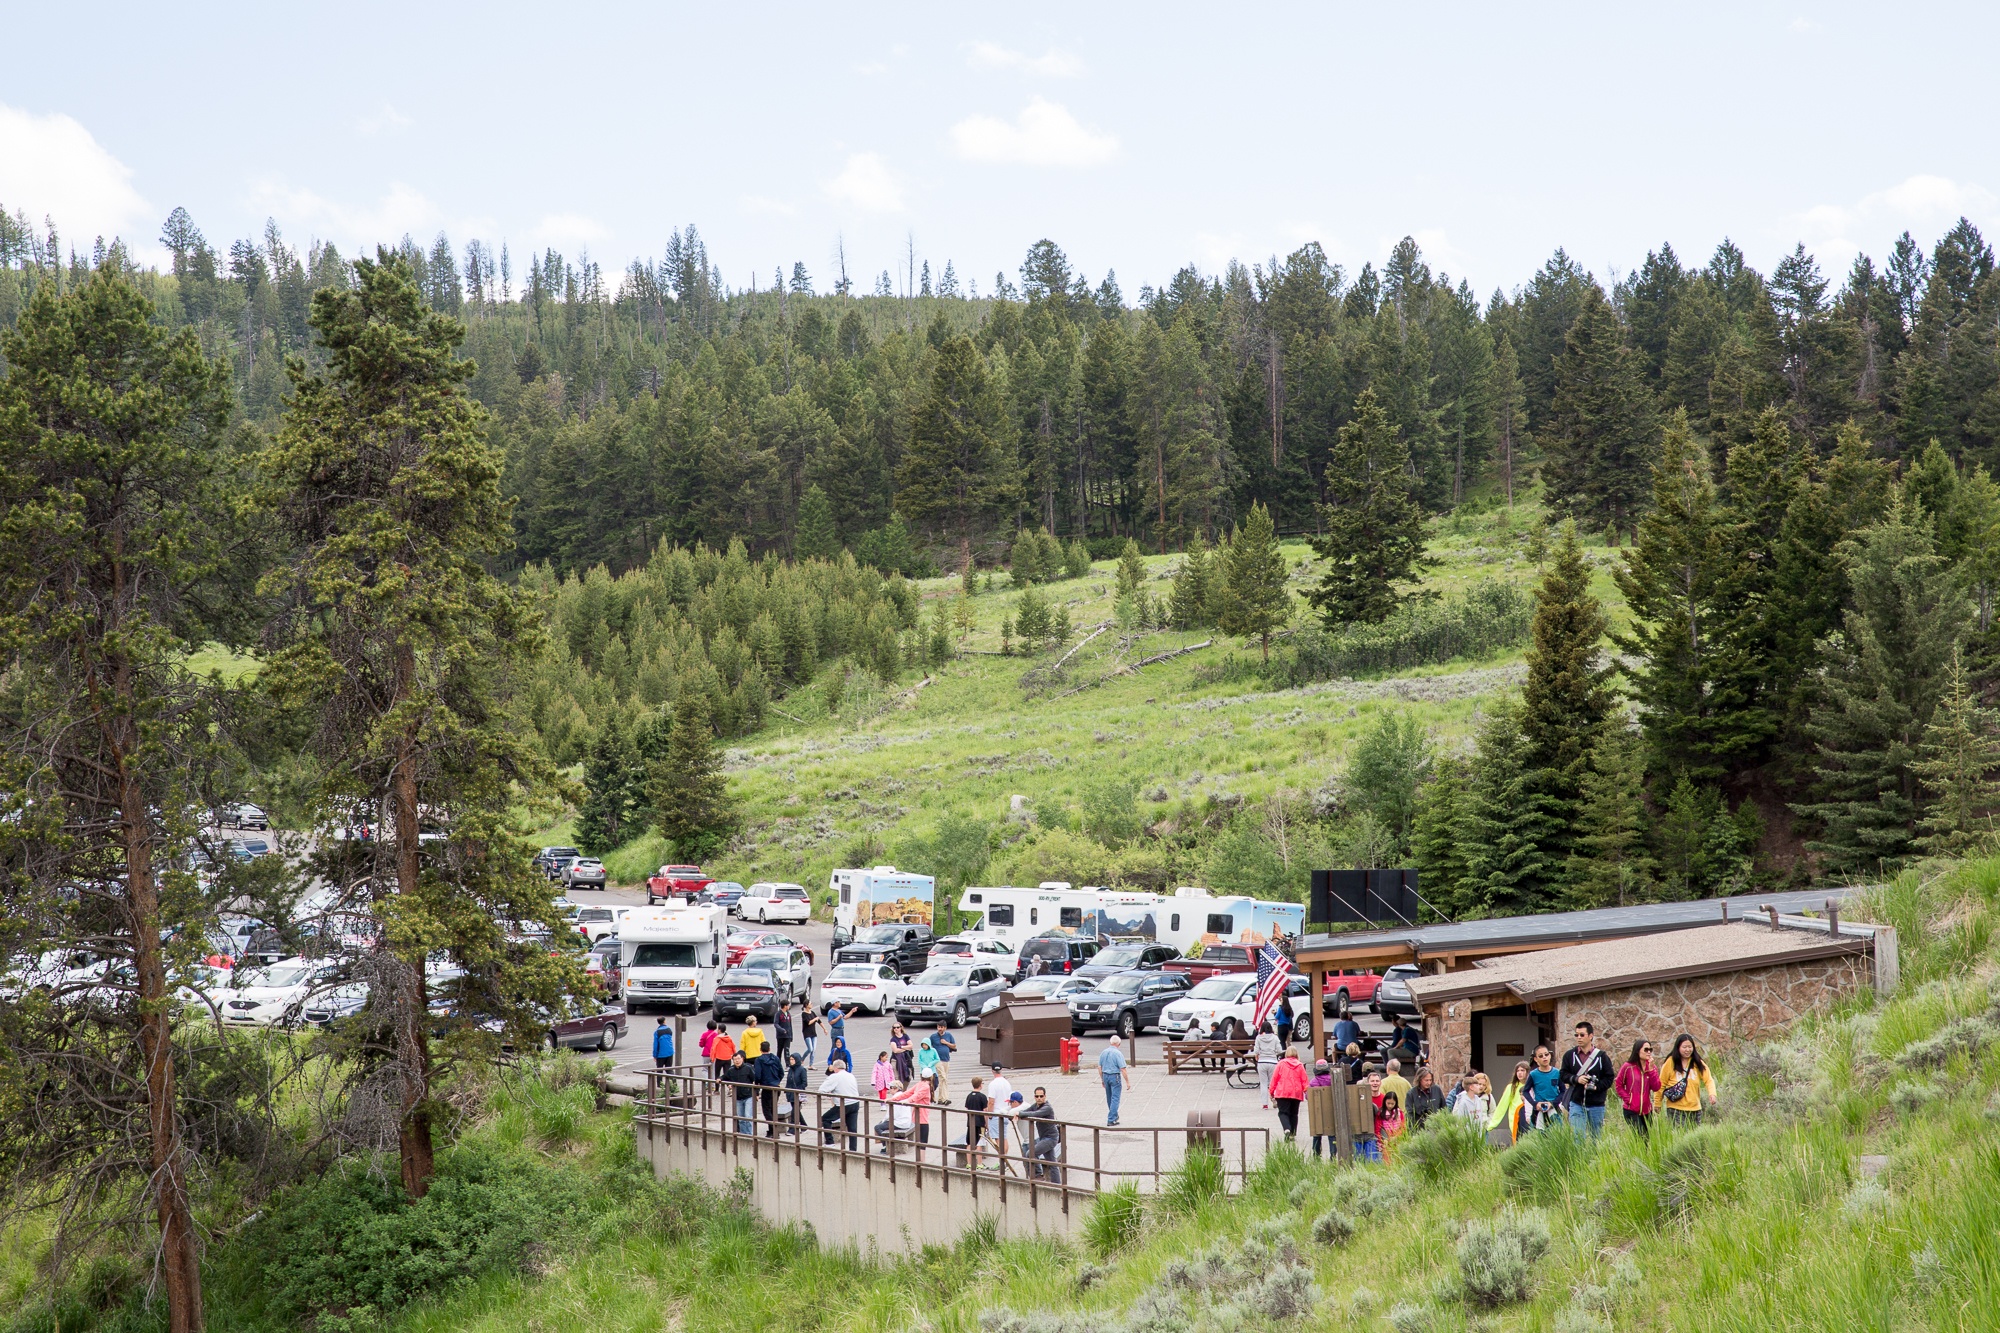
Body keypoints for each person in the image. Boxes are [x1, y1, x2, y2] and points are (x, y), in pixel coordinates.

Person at [1559, 1020, 1615, 1137]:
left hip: (1596, 1104)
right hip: (1577, 1103)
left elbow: (1609, 1078)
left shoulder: (1602, 1057)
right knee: (1578, 1137)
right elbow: (1563, 1075)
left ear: (1590, 1036)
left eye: (1582, 1035)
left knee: (1596, 1138)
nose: (1579, 1038)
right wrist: (1576, 1079)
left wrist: (1596, 1087)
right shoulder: (1570, 1056)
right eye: (1577, 1035)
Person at [1658, 1033, 1717, 1127]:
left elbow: (1708, 1079)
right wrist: (1657, 1103)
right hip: (1675, 1108)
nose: (1687, 1050)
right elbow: (1661, 1084)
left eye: (1690, 1047)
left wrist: (1712, 1094)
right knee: (1678, 1136)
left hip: (1695, 1108)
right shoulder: (1670, 1062)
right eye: (1684, 1047)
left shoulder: (1697, 1062)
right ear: (1678, 1047)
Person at [1615, 1039, 1662, 1138]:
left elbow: (1656, 1087)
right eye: (1646, 1049)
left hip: (1646, 1110)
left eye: (1650, 1049)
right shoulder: (1628, 1067)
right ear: (1637, 1051)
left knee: (1648, 1138)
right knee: (1641, 1137)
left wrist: (1651, 1071)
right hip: (1631, 1109)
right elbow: (1619, 1085)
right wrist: (1628, 1099)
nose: (1648, 1052)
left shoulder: (1652, 1068)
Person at [1020, 1087, 1062, 1183]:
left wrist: (1020, 1113)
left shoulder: (1047, 1107)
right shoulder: (1036, 1105)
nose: (1039, 1098)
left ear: (1045, 1096)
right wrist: (1017, 1114)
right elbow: (1027, 1111)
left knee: (1030, 1153)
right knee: (1052, 1163)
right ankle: (1057, 1186)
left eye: (1041, 1096)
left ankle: (1038, 1175)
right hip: (1044, 1137)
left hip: (1050, 1138)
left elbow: (1035, 1114)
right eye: (1036, 1096)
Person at [818, 1058, 860, 1149]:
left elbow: (822, 1090)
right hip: (855, 1102)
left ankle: (830, 1141)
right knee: (852, 1128)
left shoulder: (834, 1076)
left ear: (835, 1068)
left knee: (825, 1119)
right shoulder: (851, 1075)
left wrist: (830, 1093)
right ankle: (853, 1149)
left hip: (843, 1104)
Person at [1269, 1046, 1308, 1142]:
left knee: (1283, 1112)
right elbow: (1305, 1081)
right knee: (1294, 1114)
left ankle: (1286, 1129)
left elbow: (1274, 1078)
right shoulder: (1300, 1065)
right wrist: (1306, 1091)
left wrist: (1271, 1091)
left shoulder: (1281, 1064)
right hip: (1296, 1093)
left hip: (1282, 1092)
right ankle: (1292, 1134)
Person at [1487, 1062, 1529, 1146]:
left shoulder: (1532, 1086)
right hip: (1516, 1120)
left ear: (1527, 1072)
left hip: (1529, 1118)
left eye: (1522, 1070)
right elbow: (1502, 1106)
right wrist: (1492, 1124)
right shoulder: (1511, 1087)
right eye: (1518, 1071)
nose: (1520, 1073)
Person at [1525, 1045, 1564, 1131]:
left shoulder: (1557, 1073)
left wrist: (1553, 1103)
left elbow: (1563, 1091)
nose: (1544, 1058)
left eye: (1546, 1055)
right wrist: (1535, 1104)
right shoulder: (1533, 1074)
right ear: (1536, 1059)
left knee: (1557, 1133)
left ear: (1549, 1056)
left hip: (1554, 1109)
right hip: (1539, 1110)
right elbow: (1525, 1091)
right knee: (1540, 1135)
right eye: (1541, 1056)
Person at [1098, 1034, 1131, 1125]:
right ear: (1118, 1044)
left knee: (1109, 1097)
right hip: (1114, 1076)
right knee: (1115, 1098)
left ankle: (1114, 1115)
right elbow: (1123, 1069)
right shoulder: (1118, 1053)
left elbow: (1099, 1067)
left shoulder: (1103, 1052)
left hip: (1105, 1075)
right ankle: (1111, 1118)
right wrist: (1127, 1082)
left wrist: (1102, 1079)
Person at [723, 1051, 758, 1134]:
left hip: (748, 1096)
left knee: (748, 1116)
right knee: (740, 1118)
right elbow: (725, 1077)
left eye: (738, 1059)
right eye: (735, 1059)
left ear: (742, 1059)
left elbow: (755, 1080)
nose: (737, 1061)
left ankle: (749, 1135)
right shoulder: (731, 1070)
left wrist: (757, 1093)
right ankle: (743, 1135)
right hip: (738, 1097)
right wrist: (725, 1082)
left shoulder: (748, 1068)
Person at [986, 1064, 1015, 1164]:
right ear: (1001, 1070)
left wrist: (989, 1114)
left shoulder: (993, 1084)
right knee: (1004, 1137)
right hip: (1005, 1112)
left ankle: (1002, 1162)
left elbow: (991, 1101)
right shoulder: (1007, 1083)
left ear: (992, 1071)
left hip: (996, 1113)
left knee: (998, 1140)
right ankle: (1004, 1160)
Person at [1307, 1058, 1335, 1157]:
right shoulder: (1333, 1080)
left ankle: (1316, 1154)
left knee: (1316, 1133)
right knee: (1332, 1133)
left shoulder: (1313, 1082)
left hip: (1317, 1111)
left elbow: (1307, 1096)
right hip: (1331, 1110)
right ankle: (1333, 1154)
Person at [753, 1047, 784, 1135]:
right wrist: (777, 1081)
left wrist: (757, 1088)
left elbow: (758, 1075)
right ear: (769, 1048)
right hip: (776, 1087)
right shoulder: (775, 1058)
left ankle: (773, 1130)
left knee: (766, 1110)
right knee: (773, 1109)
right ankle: (773, 1129)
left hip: (766, 1087)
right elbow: (781, 1072)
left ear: (760, 1049)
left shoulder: (759, 1060)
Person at [1357, 1070, 1386, 1161]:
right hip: (1364, 1134)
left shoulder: (1384, 1099)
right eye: (1372, 1081)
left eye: (1377, 1081)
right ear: (1368, 1083)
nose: (1375, 1083)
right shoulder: (1362, 1099)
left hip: (1379, 1135)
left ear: (1380, 1083)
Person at [1254, 1021, 1282, 1109]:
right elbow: (1279, 1050)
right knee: (1273, 1083)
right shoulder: (1275, 1038)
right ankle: (1274, 1099)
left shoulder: (1259, 1037)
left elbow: (1256, 1051)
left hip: (1262, 1062)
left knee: (1263, 1083)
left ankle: (1265, 1104)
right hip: (1273, 1062)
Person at [963, 1077, 991, 1164]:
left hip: (970, 1123)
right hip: (980, 1123)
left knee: (969, 1142)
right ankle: (979, 1163)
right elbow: (985, 1111)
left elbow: (967, 1108)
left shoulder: (969, 1096)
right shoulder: (982, 1097)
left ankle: (969, 1163)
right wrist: (986, 1124)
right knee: (979, 1142)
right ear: (980, 1085)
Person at [929, 1022, 957, 1103]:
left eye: (941, 1027)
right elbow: (928, 1046)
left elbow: (954, 1045)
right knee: (943, 1077)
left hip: (946, 1060)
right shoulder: (933, 1036)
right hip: (938, 1060)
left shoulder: (949, 1035)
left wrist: (946, 1043)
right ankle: (945, 1098)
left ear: (945, 1027)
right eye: (938, 1027)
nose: (939, 1029)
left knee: (943, 1079)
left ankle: (940, 1098)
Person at [1376, 1088, 1406, 1162]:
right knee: (1387, 1160)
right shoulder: (1380, 1113)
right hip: (1385, 1141)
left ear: (1396, 1103)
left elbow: (1403, 1127)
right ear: (1384, 1102)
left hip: (1397, 1140)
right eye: (1388, 1103)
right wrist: (1381, 1140)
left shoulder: (1399, 1113)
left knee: (1398, 1159)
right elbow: (1378, 1128)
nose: (1390, 1106)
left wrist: (1397, 1136)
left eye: (1392, 1104)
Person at [783, 1052, 808, 1132]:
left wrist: (797, 1089)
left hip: (798, 1094)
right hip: (790, 1093)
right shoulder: (791, 1069)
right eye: (790, 1059)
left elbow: (804, 1083)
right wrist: (786, 1090)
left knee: (794, 1112)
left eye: (793, 1059)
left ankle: (792, 1129)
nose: (791, 1061)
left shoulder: (802, 1069)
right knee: (796, 1110)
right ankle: (803, 1126)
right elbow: (789, 1081)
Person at [916, 1032, 941, 1100]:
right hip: (923, 1071)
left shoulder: (933, 1050)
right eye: (923, 1045)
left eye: (925, 1045)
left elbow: (937, 1059)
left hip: (932, 1071)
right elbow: (919, 1061)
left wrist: (930, 1064)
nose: (924, 1046)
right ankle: (926, 1098)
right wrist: (924, 1066)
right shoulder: (920, 1051)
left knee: (934, 1085)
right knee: (924, 1086)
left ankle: (932, 1098)